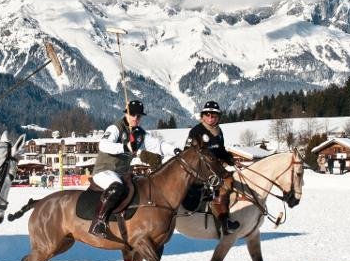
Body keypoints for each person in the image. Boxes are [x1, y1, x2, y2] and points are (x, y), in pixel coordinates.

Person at [88, 99, 180, 238]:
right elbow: (103, 145)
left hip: (122, 173)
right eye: (133, 115)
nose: (135, 118)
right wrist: (125, 147)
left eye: (139, 116)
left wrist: (176, 151)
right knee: (116, 187)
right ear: (127, 114)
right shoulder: (116, 128)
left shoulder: (140, 134)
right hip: (104, 171)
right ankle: (98, 222)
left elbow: (158, 146)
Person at [185, 100, 238, 235]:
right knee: (219, 187)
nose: (210, 118)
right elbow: (187, 154)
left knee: (233, 181)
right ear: (202, 116)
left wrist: (228, 157)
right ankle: (224, 222)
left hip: (215, 167)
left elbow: (220, 150)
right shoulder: (196, 131)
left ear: (218, 117)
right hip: (199, 169)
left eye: (213, 115)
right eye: (207, 115)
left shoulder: (218, 131)